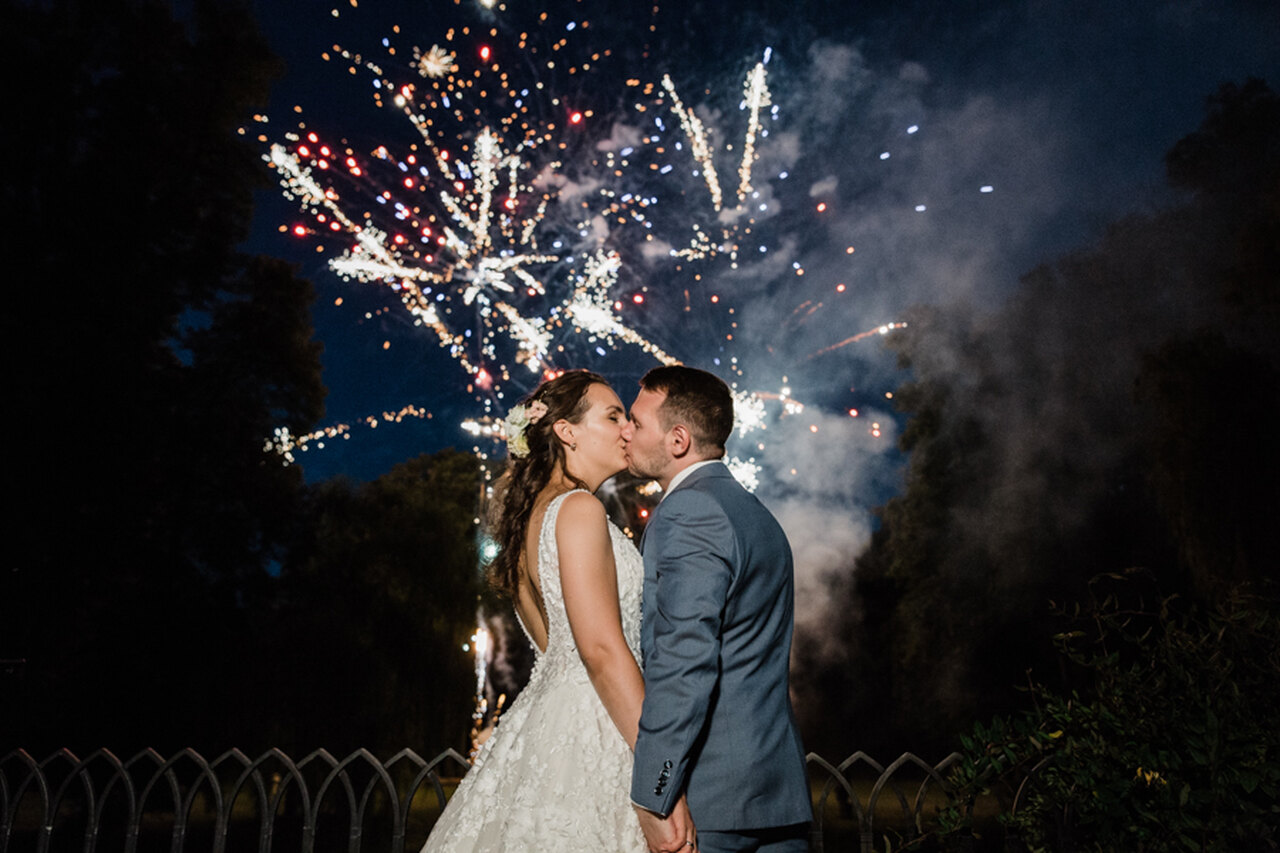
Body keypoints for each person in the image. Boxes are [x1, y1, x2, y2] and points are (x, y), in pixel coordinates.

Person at [422, 370, 688, 852]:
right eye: (613, 417)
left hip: (548, 726)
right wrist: (659, 776)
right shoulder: (579, 509)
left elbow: (557, 650)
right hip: (598, 730)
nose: (627, 430)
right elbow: (600, 652)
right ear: (567, 432)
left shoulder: (532, 520)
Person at [622, 365, 812, 853]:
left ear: (678, 439)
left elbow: (684, 661)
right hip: (778, 794)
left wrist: (654, 794)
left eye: (637, 422)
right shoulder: (755, 513)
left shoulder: (690, 512)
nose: (626, 431)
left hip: (713, 802)